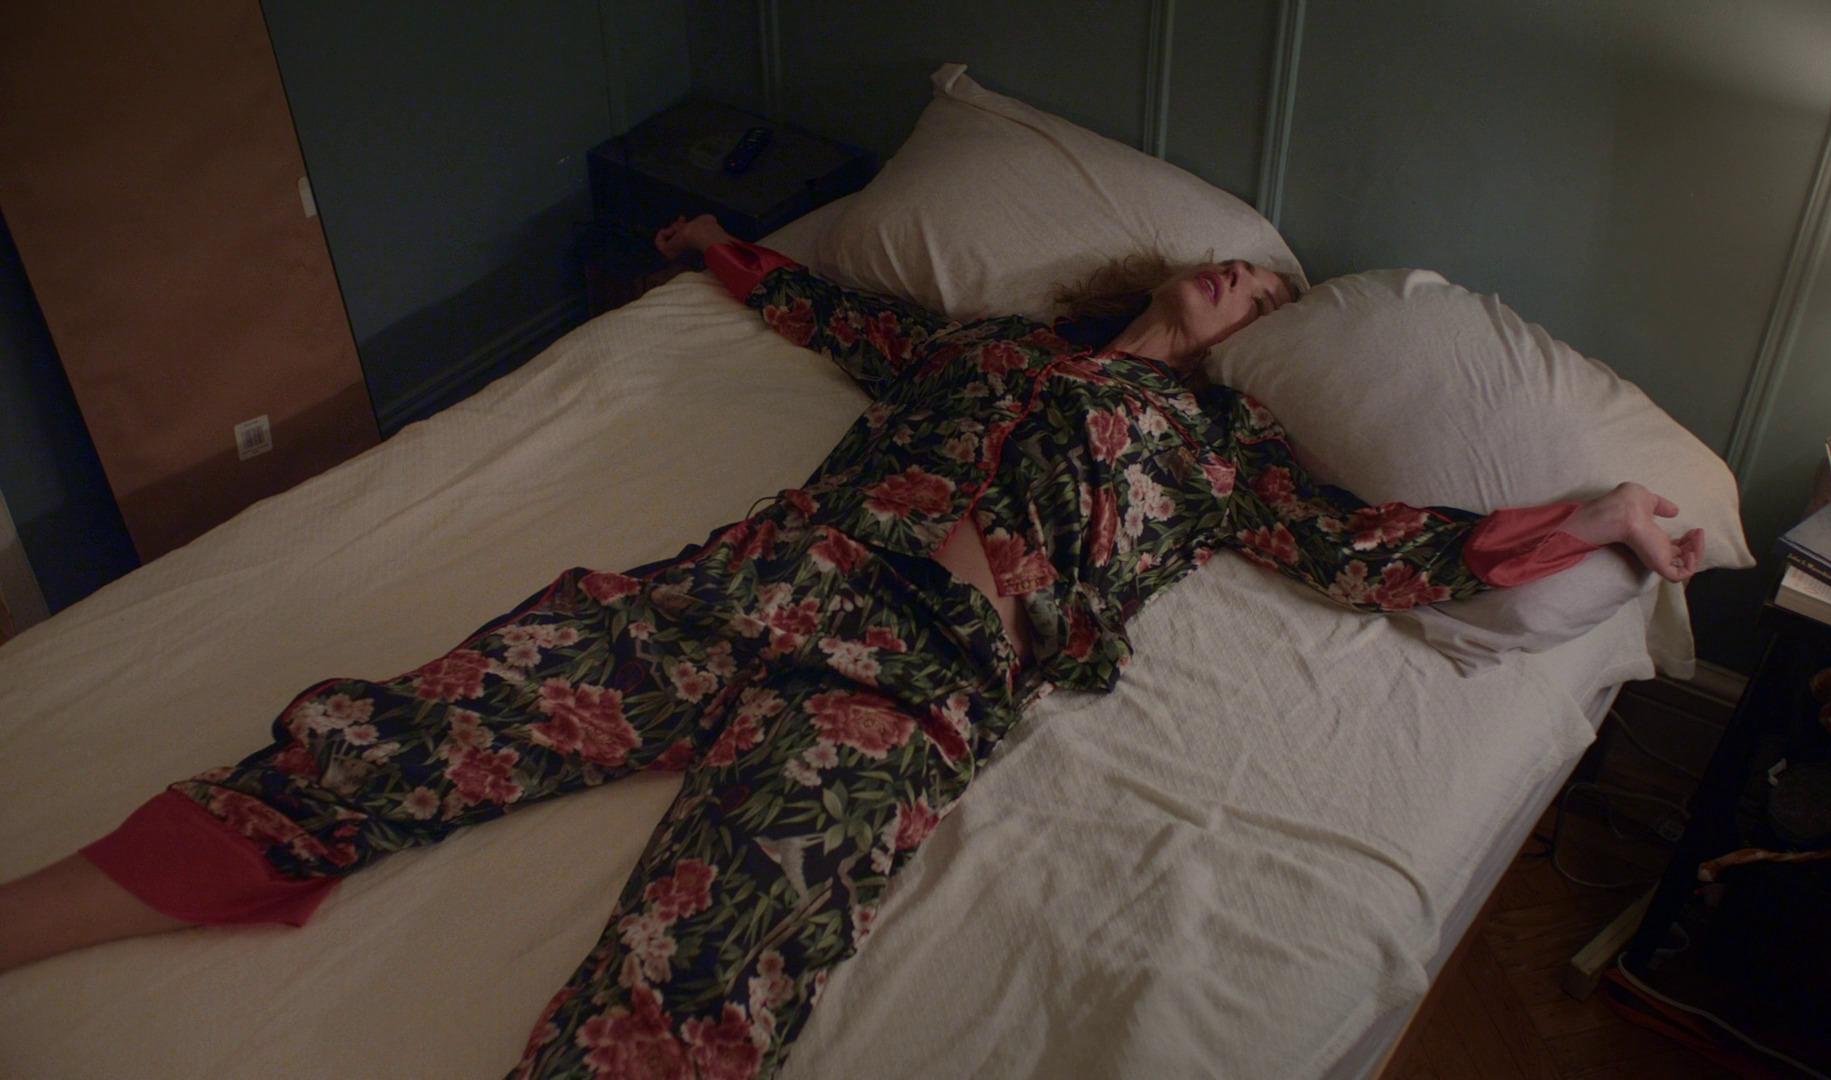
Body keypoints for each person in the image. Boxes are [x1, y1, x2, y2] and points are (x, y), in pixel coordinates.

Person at [0, 214, 1704, 1079]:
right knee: (415, 729)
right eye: (1230, 265)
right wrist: (724, 257)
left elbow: (1384, 556)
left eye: (1264, 293)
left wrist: (1600, 518)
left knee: (712, 962)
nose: (1235, 284)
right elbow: (837, 308)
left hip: (918, 683)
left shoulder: (1225, 454)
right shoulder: (986, 348)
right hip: (759, 582)